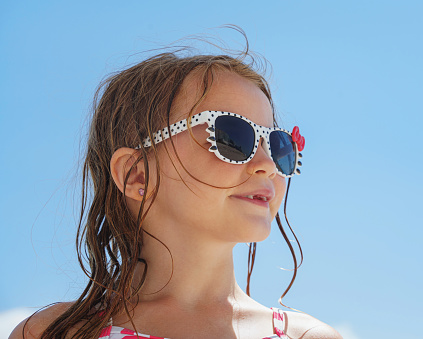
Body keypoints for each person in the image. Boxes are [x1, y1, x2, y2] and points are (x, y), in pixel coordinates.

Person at [10, 36, 341, 339]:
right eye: (232, 137)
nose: (267, 165)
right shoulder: (53, 333)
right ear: (136, 174)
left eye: (277, 145)